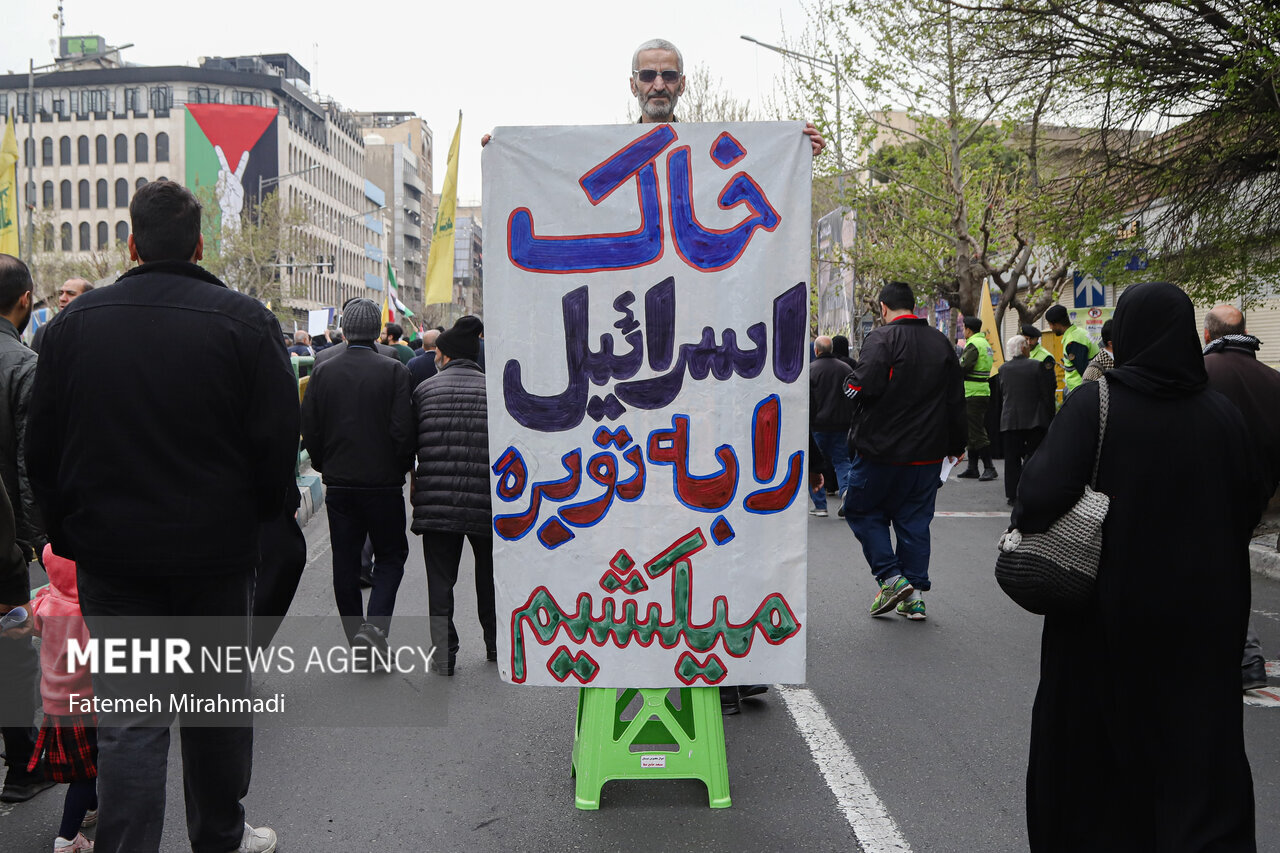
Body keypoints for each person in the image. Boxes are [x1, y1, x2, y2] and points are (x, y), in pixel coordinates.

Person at [26, 180, 296, 853]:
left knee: (132, 722)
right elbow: (276, 447)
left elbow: (42, 449)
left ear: (131, 244)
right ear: (200, 244)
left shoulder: (73, 327)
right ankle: (220, 837)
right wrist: (259, 521)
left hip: (114, 559)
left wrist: (67, 531)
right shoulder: (246, 322)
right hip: (216, 557)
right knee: (215, 711)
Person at [1013, 282, 1261, 851]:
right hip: (1204, 624)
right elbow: (1248, 504)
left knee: (1096, 764)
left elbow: (1036, 498)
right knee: (1196, 758)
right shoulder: (1221, 415)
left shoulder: (1095, 405)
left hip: (1105, 623)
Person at [841, 281, 966, 621]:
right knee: (914, 521)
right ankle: (915, 597)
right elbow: (956, 399)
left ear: (883, 307)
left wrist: (848, 386)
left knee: (861, 510)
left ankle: (891, 578)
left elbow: (860, 387)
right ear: (913, 305)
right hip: (927, 453)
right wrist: (957, 445)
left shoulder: (881, 339)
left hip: (881, 450)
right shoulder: (940, 342)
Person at [301, 298, 415, 653]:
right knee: (391, 556)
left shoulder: (323, 370)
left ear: (345, 331)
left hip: (340, 483)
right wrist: (399, 468)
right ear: (377, 331)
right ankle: (375, 628)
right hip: (383, 484)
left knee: (345, 563)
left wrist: (325, 465)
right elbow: (403, 431)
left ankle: (358, 639)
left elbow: (311, 427)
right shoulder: (394, 370)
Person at [410, 316, 495, 675]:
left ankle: (444, 655)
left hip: (437, 502)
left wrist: (415, 483)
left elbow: (410, 446)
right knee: (490, 576)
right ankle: (496, 645)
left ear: (445, 355)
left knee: (440, 581)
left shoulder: (424, 391)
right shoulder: (494, 391)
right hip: (488, 501)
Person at [1202, 303, 1280, 692]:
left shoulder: (1201, 372)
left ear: (1207, 334)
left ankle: (1246, 656)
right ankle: (1244, 657)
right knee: (1230, 568)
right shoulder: (1272, 379)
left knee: (1213, 571)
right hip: (1259, 496)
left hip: (1207, 491)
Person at [0, 254, 50, 805]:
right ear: (25, 301)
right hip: (4, 543)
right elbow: (28, 462)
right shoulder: (24, 365)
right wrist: (37, 542)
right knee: (12, 651)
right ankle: (22, 766)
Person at [25, 545, 99, 852]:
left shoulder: (45, 602)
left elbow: (31, 624)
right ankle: (67, 839)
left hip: (55, 702)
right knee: (88, 772)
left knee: (86, 765)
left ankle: (91, 808)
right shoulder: (87, 615)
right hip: (84, 704)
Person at [996, 334, 1055, 506]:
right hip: (1034, 420)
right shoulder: (1036, 366)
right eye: (1027, 346)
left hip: (1010, 420)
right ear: (1023, 348)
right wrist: (1050, 417)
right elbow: (1046, 394)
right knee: (1035, 457)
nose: (1029, 348)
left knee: (1012, 459)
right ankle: (1031, 489)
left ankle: (1012, 495)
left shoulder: (1003, 369)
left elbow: (1002, 394)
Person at [809, 335, 855, 518]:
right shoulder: (846, 368)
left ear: (816, 350)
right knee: (842, 460)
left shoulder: (811, 370)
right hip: (842, 424)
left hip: (818, 425)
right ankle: (846, 491)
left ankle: (820, 505)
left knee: (815, 464)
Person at [956, 316, 998, 481]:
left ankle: (989, 467)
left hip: (973, 392)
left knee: (977, 431)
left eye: (963, 328)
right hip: (981, 390)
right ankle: (972, 468)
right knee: (971, 430)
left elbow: (964, 367)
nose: (963, 331)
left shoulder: (973, 344)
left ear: (968, 329)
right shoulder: (984, 343)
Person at [1044, 304, 1098, 398]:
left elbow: (1085, 372)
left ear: (1056, 324)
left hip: (1081, 392)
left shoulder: (1072, 341)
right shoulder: (1080, 332)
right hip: (1083, 390)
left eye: (1050, 325)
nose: (1051, 328)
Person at [31, 278, 93, 353]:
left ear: (87, 298)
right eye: (61, 293)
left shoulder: (96, 331)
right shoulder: (44, 332)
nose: (62, 299)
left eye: (71, 294)